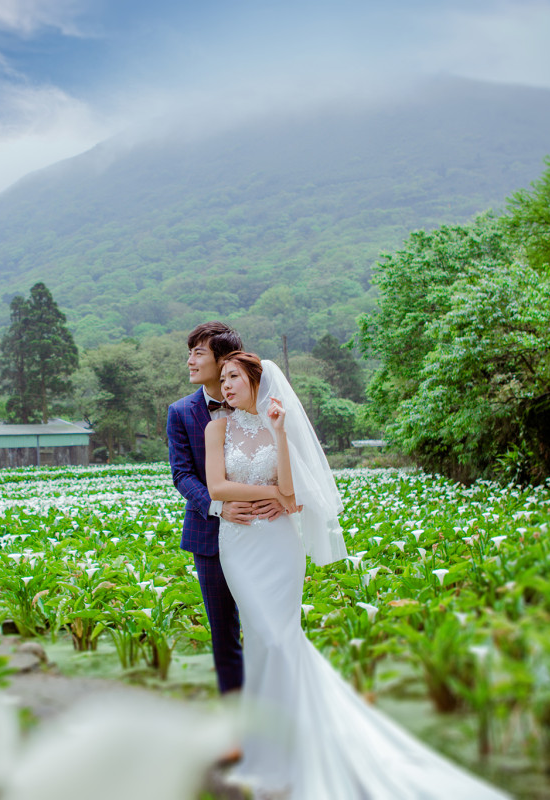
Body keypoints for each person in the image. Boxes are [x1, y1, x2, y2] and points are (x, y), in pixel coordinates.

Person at [205, 350, 511, 799]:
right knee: (263, 639)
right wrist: (271, 492)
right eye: (224, 377)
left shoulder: (277, 422)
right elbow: (218, 487)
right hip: (238, 543)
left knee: (278, 638)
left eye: (235, 377)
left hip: (277, 544)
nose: (226, 385)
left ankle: (291, 747)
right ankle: (268, 750)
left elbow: (292, 495)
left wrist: (280, 436)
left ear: (257, 381)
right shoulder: (218, 427)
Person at [167, 322, 285, 696]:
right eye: (190, 353)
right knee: (223, 634)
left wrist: (282, 498)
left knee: (268, 626)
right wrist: (219, 506)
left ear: (222, 361)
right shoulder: (181, 412)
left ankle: (275, 703)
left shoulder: (266, 411)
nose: (189, 361)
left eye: (198, 353)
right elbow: (182, 475)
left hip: (265, 533)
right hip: (210, 535)